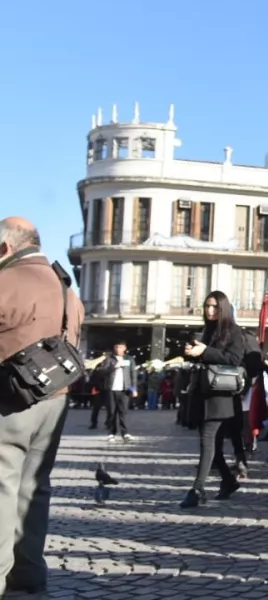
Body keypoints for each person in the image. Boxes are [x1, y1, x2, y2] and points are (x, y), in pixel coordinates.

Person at [0, 217, 84, 596]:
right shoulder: (66, 289)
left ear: (6, 248)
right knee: (35, 487)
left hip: (9, 401)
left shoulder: (7, 281)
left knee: (3, 486)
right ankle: (29, 573)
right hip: (55, 400)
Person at [180, 291, 247, 508]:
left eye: (215, 307)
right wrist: (191, 352)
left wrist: (206, 351)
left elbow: (235, 359)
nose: (210, 311)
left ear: (223, 308)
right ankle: (228, 480)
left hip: (221, 397)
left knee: (207, 440)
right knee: (213, 447)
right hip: (202, 393)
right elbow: (202, 359)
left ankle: (197, 489)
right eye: (207, 306)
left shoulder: (234, 331)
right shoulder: (206, 330)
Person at [99, 341, 137, 443]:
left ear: (124, 348)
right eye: (116, 347)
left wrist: (133, 389)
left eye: (120, 347)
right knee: (111, 412)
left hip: (125, 389)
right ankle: (111, 433)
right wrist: (114, 367)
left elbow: (133, 375)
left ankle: (125, 433)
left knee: (123, 412)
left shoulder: (129, 359)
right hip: (111, 388)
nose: (117, 349)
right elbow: (102, 371)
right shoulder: (109, 359)